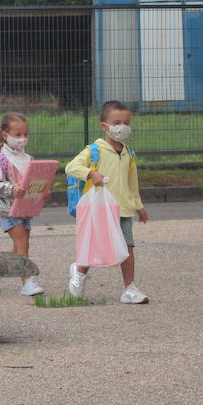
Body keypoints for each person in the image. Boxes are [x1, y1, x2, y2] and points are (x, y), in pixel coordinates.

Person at [65, 100, 149, 305]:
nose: (123, 127)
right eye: (117, 122)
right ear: (104, 126)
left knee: (127, 246)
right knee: (93, 246)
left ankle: (129, 288)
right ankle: (79, 272)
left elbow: (132, 182)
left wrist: (138, 205)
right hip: (100, 209)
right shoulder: (95, 150)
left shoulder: (128, 152)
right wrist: (90, 173)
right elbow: (71, 167)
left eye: (126, 122)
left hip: (124, 208)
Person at [0, 112, 44, 296]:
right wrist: (12, 189)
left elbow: (33, 181)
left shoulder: (29, 159)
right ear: (5, 135)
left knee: (20, 246)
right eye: (18, 135)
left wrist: (42, 190)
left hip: (25, 209)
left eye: (25, 134)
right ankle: (27, 281)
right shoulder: (0, 160)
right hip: (8, 210)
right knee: (22, 243)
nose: (22, 139)